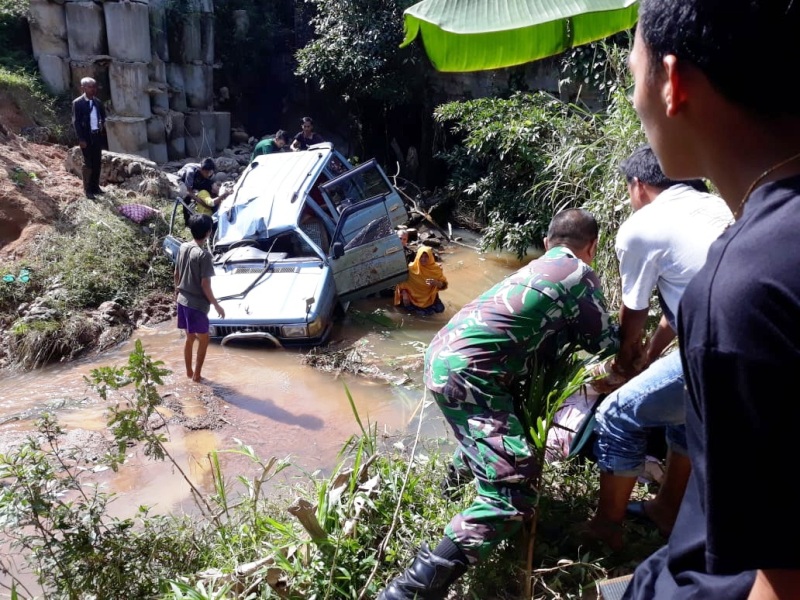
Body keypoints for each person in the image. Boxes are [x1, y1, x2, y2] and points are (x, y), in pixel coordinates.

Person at [622, 1, 800, 598]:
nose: (634, 100)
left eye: (632, 74)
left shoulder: (744, 290)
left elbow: (782, 581)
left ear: (673, 83)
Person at [378, 209, 618, 600]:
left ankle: (450, 490)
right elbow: (605, 344)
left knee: (496, 433)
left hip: (442, 356)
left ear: (545, 243)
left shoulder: (534, 269)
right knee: (513, 494)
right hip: (472, 374)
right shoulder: (578, 275)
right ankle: (410, 590)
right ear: (592, 246)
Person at [583, 145, 732, 551]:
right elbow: (683, 297)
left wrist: (623, 364)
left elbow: (634, 312)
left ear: (639, 185)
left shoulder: (643, 224)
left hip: (719, 346)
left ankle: (606, 528)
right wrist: (651, 355)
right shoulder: (717, 205)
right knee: (683, 415)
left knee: (616, 413)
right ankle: (667, 509)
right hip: (756, 340)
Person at [174, 214, 225, 383]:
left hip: (182, 300)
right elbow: (205, 286)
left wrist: (177, 294)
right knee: (204, 338)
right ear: (209, 232)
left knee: (190, 337)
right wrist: (217, 306)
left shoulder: (183, 247)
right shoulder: (204, 256)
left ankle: (189, 372)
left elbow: (176, 274)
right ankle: (197, 375)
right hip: (196, 305)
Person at [72, 77, 106, 199]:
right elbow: (76, 122)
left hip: (97, 136)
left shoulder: (98, 102)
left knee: (97, 163)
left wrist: (102, 127)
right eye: (90, 87)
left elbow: (103, 117)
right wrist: (81, 139)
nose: (93, 89)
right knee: (88, 164)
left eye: (94, 87)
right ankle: (87, 190)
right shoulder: (78, 103)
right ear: (83, 88)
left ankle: (95, 187)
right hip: (86, 138)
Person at [393, 245, 448, 315]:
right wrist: (404, 293)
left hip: (429, 299)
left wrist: (436, 283)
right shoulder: (411, 269)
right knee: (415, 313)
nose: (423, 259)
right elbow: (401, 284)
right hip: (413, 299)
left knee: (440, 310)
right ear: (417, 257)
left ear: (430, 257)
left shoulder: (436, 269)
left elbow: (444, 285)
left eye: (426, 256)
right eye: (421, 256)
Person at [177, 158, 217, 224]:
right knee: (186, 197)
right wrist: (204, 204)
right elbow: (189, 192)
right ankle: (187, 221)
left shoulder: (210, 173)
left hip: (198, 178)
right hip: (183, 179)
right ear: (201, 169)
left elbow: (212, 185)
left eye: (210, 172)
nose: (208, 174)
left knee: (210, 190)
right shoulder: (191, 172)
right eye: (207, 172)